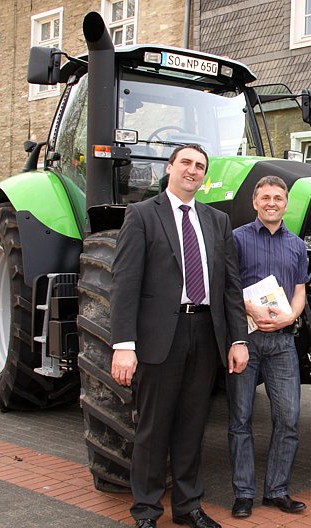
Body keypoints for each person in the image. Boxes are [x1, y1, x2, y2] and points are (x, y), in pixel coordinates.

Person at [110, 144, 249, 528]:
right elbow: (125, 284)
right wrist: (124, 345)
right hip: (159, 338)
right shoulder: (142, 214)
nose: (193, 170)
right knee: (153, 428)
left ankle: (188, 506)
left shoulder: (217, 221)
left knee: (192, 426)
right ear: (170, 168)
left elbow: (230, 286)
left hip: (205, 334)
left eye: (200, 166)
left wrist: (238, 340)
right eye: (186, 162)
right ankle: (146, 510)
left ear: (204, 175)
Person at [228, 176, 309, 518]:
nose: (272, 203)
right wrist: (251, 309)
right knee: (241, 419)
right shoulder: (237, 238)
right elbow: (227, 286)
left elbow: (300, 290)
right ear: (255, 202)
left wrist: (291, 316)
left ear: (286, 203)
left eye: (278, 197)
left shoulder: (297, 245)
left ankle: (277, 490)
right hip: (245, 340)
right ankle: (244, 493)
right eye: (265, 197)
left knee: (288, 419)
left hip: (282, 342)